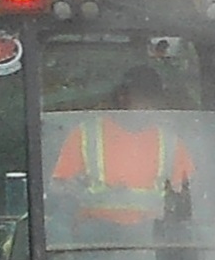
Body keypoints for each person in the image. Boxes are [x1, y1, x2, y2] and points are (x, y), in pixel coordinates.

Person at [49, 65, 195, 228]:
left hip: (153, 239)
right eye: (143, 97)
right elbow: (57, 188)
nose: (150, 106)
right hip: (92, 240)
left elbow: (187, 198)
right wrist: (71, 190)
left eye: (153, 98)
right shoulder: (85, 135)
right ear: (122, 97)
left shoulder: (170, 142)